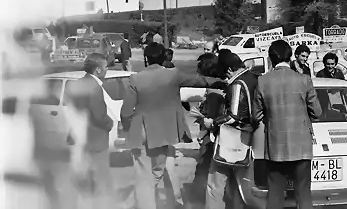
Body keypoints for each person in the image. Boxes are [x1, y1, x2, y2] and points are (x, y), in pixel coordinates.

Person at [120, 42, 227, 209]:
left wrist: (129, 131)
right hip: (162, 134)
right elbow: (200, 81)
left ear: (146, 59)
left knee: (145, 176)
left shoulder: (135, 78)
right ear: (163, 58)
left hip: (139, 133)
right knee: (155, 173)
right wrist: (222, 82)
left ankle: (136, 203)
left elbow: (125, 113)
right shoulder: (173, 75)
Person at [253, 40, 322, 209]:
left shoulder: (262, 81)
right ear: (290, 56)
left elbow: (256, 115)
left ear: (270, 59)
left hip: (275, 146)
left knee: (275, 194)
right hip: (302, 145)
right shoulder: (304, 80)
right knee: (303, 194)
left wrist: (271, 120)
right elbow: (317, 112)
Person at [205, 49, 259, 209]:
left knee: (215, 183)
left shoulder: (237, 84)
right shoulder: (253, 78)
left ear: (229, 69)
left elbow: (233, 116)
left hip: (232, 140)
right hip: (250, 139)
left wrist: (213, 122)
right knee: (240, 186)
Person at [65, 53, 115, 209]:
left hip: (77, 138)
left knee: (82, 178)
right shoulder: (94, 87)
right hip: (95, 140)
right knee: (100, 177)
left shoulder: (75, 84)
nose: (107, 70)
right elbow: (99, 115)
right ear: (98, 70)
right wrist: (110, 123)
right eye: (106, 67)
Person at [190, 53, 227, 204]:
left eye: (199, 65)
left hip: (211, 136)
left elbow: (210, 115)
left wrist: (202, 131)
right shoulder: (223, 84)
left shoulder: (213, 88)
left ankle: (198, 200)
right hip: (219, 135)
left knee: (204, 168)